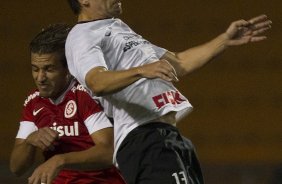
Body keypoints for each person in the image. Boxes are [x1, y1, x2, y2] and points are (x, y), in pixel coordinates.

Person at [65, 0, 272, 183]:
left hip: (167, 137)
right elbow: (96, 81)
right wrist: (141, 71)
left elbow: (178, 62)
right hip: (143, 139)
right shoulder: (83, 35)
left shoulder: (117, 28)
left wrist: (224, 40)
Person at [10, 24, 126, 184]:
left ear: (69, 69)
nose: (40, 78)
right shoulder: (33, 102)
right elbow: (17, 168)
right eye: (35, 69)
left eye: (49, 69)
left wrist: (60, 160)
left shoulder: (85, 95)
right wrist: (30, 140)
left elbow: (108, 151)